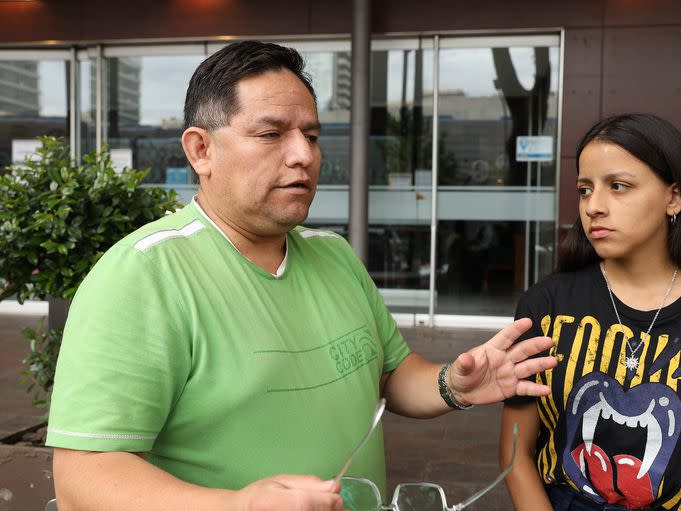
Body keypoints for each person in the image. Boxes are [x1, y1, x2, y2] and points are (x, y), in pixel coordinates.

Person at [45, 41, 557, 511]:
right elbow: (82, 475)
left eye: (311, 135)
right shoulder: (142, 275)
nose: (304, 155)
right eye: (271, 134)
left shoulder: (333, 255)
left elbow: (387, 376)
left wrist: (454, 384)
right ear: (201, 150)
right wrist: (237, 506)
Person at [499, 113, 681, 511]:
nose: (594, 207)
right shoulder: (545, 306)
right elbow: (515, 456)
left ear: (673, 198)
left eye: (618, 186)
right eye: (585, 189)